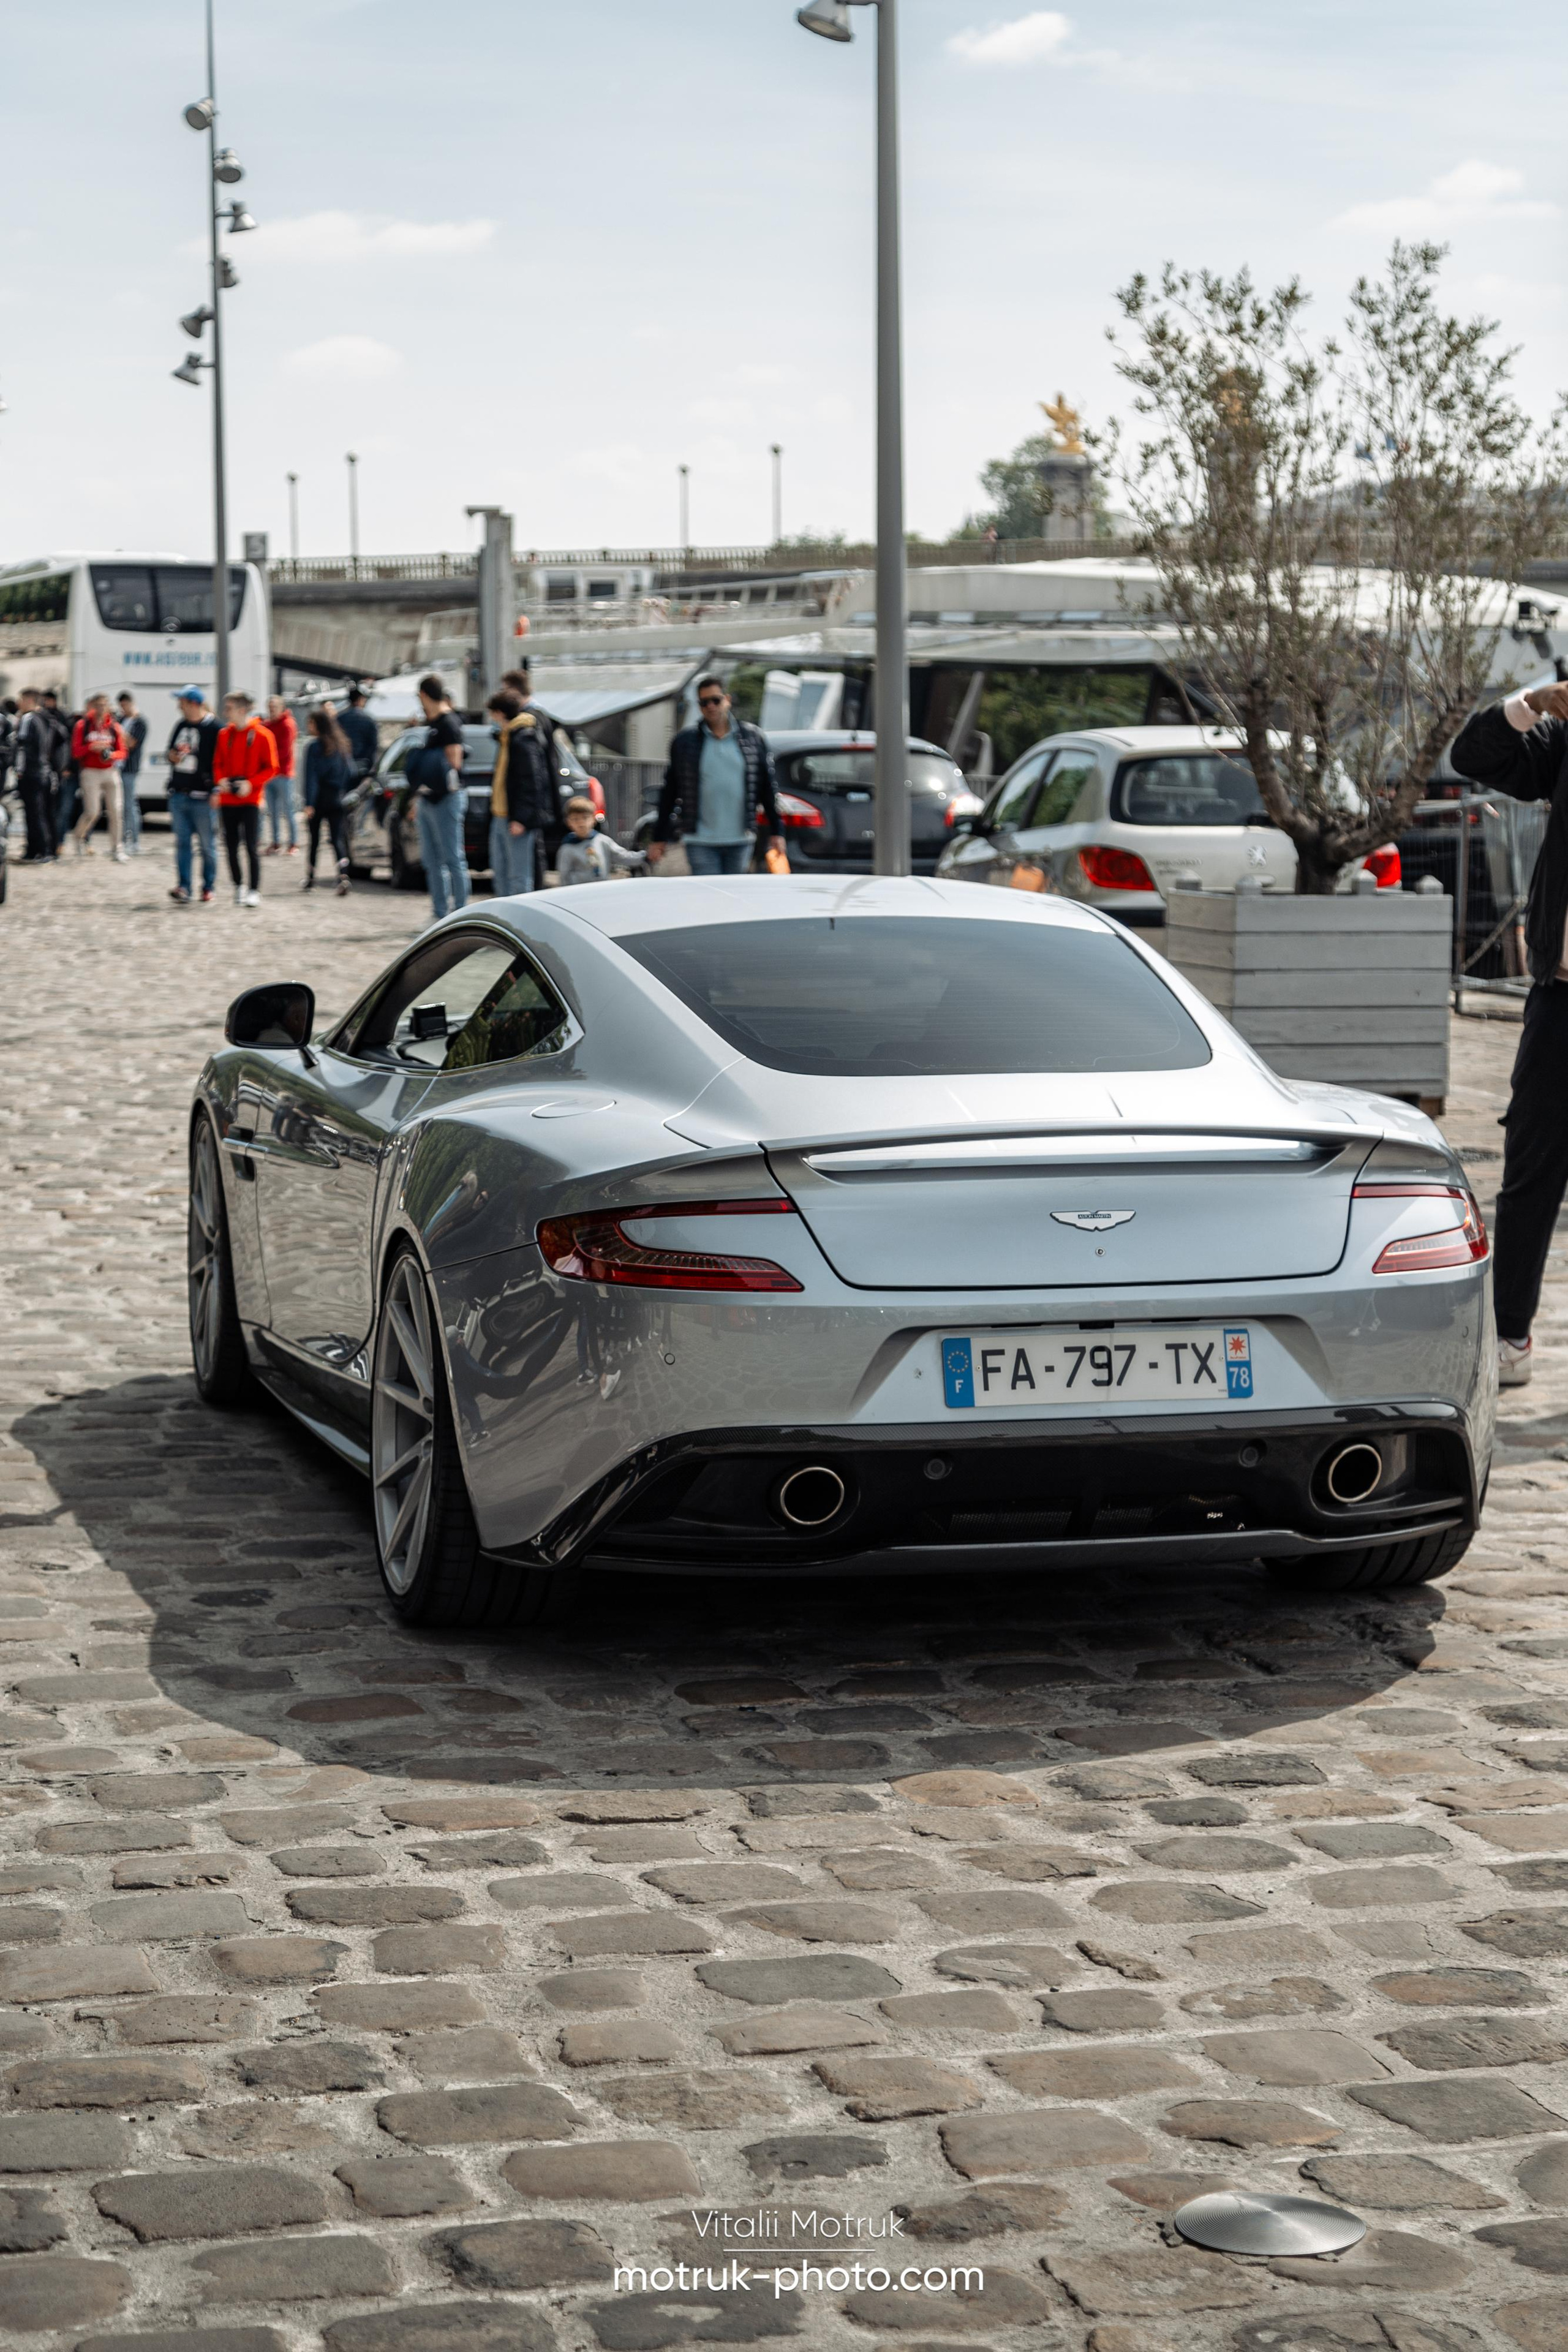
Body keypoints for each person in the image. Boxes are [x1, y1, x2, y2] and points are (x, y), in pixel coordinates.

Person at [1452, 679, 1568, 1387]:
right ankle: (1511, 1335)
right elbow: (1476, 755)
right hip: (1563, 998)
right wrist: (1531, 703)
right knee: (1530, 1169)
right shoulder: (1563, 747)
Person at [650, 676, 780, 876]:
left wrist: (777, 832)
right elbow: (670, 791)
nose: (711, 706)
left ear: (727, 700)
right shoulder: (685, 742)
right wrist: (659, 837)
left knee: (733, 899)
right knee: (708, 899)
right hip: (699, 839)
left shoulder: (753, 737)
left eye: (716, 700)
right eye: (704, 702)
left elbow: (766, 788)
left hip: (741, 838)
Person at [484, 686, 554, 895]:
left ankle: (519, 925)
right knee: (501, 875)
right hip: (500, 816)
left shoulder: (523, 738)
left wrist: (522, 818)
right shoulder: (508, 736)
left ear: (500, 713)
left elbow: (532, 781)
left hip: (515, 819)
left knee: (519, 878)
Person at [410, 674, 469, 919]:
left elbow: (455, 762)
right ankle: (439, 913)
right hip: (428, 799)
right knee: (432, 860)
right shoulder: (432, 723)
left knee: (453, 858)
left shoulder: (449, 723)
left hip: (447, 799)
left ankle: (461, 913)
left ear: (424, 695)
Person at [213, 691, 279, 907]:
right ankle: (238, 886)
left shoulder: (262, 735)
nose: (226, 713)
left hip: (251, 800)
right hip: (227, 800)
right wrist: (221, 780)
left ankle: (254, 889)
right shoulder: (224, 735)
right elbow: (217, 763)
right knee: (231, 846)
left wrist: (251, 783)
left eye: (229, 708)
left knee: (251, 846)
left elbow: (271, 768)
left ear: (242, 710)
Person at [166, 687, 220, 903]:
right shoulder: (181, 725)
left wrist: (216, 789)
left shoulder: (215, 728)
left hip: (204, 798)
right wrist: (172, 757)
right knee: (183, 844)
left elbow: (221, 762)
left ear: (192, 703)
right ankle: (184, 886)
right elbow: (170, 751)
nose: (179, 705)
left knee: (208, 846)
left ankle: (208, 886)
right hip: (179, 794)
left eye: (181, 701)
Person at [70, 693, 129, 860]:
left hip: (110, 771)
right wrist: (91, 747)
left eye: (105, 705)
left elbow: (123, 752)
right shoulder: (83, 726)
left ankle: (117, 848)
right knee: (92, 811)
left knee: (116, 811)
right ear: (92, 707)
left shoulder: (114, 727)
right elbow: (76, 752)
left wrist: (112, 755)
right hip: (90, 772)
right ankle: (79, 837)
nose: (102, 709)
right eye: (98, 705)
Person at [302, 706, 353, 895]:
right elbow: (351, 772)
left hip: (320, 799)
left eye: (310, 723)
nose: (308, 726)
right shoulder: (342, 745)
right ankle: (343, 876)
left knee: (314, 841)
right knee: (338, 839)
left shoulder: (314, 747)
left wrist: (309, 803)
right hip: (337, 798)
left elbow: (311, 777)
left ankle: (311, 878)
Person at [555, 794, 647, 886]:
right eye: (576, 819)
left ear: (594, 819)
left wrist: (645, 856)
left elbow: (623, 856)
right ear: (569, 822)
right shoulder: (567, 848)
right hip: (579, 892)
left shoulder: (603, 841)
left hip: (602, 889)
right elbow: (564, 876)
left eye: (585, 818)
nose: (581, 823)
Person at [14, 690, 58, 862]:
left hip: (31, 773)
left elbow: (22, 747)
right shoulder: (46, 719)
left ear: (29, 700)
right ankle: (45, 850)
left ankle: (38, 850)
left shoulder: (28, 718)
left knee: (33, 814)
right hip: (45, 771)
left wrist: (19, 770)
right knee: (44, 813)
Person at [262, 695, 300, 856]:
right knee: (273, 812)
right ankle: (276, 842)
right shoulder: (267, 725)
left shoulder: (288, 724)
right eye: (270, 708)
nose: (272, 711)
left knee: (288, 810)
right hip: (269, 775)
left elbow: (284, 751)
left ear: (281, 708)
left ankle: (293, 843)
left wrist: (266, 760)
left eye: (274, 708)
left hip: (283, 774)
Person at [40, 690, 75, 840]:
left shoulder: (62, 719)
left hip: (60, 770)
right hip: (46, 769)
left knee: (61, 808)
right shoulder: (41, 718)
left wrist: (67, 767)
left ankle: (57, 841)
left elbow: (67, 746)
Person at [116, 693, 147, 856]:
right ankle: (121, 840)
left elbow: (131, 743)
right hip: (117, 767)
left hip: (130, 769)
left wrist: (118, 729)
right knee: (119, 806)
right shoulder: (120, 720)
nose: (123, 709)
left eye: (126, 705)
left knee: (130, 805)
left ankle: (134, 841)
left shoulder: (139, 722)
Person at [338, 685, 379, 782]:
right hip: (363, 766)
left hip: (342, 765)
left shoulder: (339, 719)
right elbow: (373, 745)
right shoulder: (369, 720)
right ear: (361, 700)